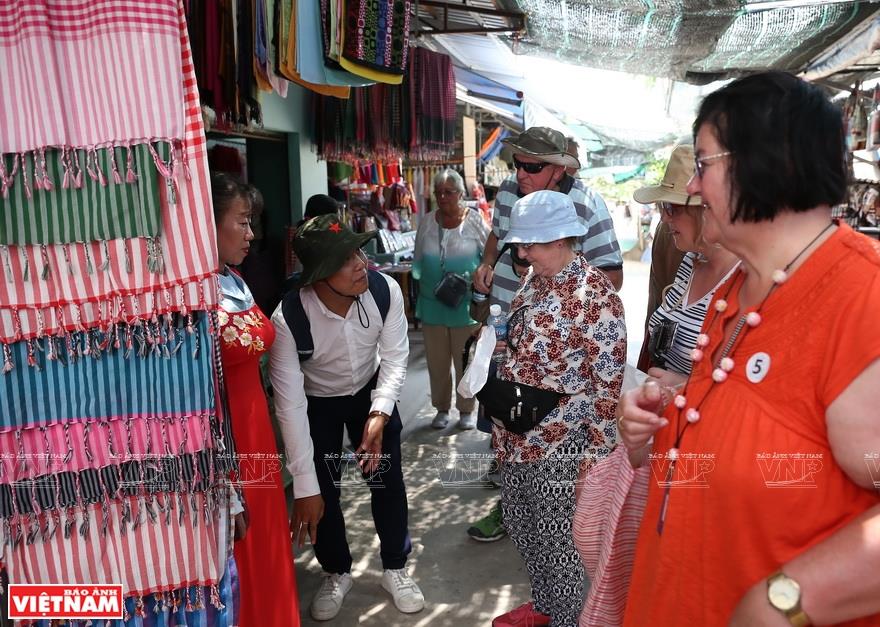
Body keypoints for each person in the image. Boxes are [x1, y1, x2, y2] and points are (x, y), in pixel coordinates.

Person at [619, 71, 880, 626]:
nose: (691, 188)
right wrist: (664, 419)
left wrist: (785, 601)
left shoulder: (863, 300)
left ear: (768, 162)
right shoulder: (740, 289)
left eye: (704, 163)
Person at [468, 126, 624, 544]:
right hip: (515, 378)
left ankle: (563, 603)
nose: (520, 172)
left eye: (532, 166)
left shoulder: (588, 216)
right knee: (523, 510)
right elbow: (497, 238)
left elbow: (606, 381)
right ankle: (538, 589)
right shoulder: (509, 204)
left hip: (558, 400)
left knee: (556, 528)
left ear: (557, 169)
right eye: (516, 163)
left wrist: (596, 453)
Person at [269, 214, 425, 621]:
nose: (361, 263)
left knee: (387, 479)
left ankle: (395, 566)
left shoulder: (384, 291)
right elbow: (289, 405)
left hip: (370, 392)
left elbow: (394, 358)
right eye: (346, 258)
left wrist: (379, 412)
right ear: (318, 275)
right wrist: (303, 484)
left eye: (358, 250)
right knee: (322, 489)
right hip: (317, 401)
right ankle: (336, 571)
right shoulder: (288, 320)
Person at [491, 190, 627, 627]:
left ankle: (569, 618)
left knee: (560, 546)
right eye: (521, 245)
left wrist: (596, 461)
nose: (523, 253)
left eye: (531, 245)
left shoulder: (595, 296)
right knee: (524, 527)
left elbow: (607, 387)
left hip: (561, 446)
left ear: (561, 240)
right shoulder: (536, 280)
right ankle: (546, 607)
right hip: (516, 434)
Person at [212, 173, 301, 626]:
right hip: (225, 441)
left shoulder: (236, 280)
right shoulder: (193, 294)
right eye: (242, 221)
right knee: (238, 551)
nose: (251, 234)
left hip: (258, 435)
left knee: (266, 539)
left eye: (252, 222)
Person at [634, 144, 738, 381]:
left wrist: (683, 387)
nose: (663, 217)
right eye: (662, 206)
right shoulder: (691, 260)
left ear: (707, 210)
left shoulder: (745, 277)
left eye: (672, 208)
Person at [412, 168, 489, 430]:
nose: (443, 197)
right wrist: (422, 281)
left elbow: (489, 253)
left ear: (460, 194)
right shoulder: (427, 222)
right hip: (432, 303)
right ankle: (441, 408)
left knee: (464, 358)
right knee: (437, 361)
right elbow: (418, 259)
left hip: (464, 304)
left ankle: (466, 409)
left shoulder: (474, 220)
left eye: (448, 192)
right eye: (439, 193)